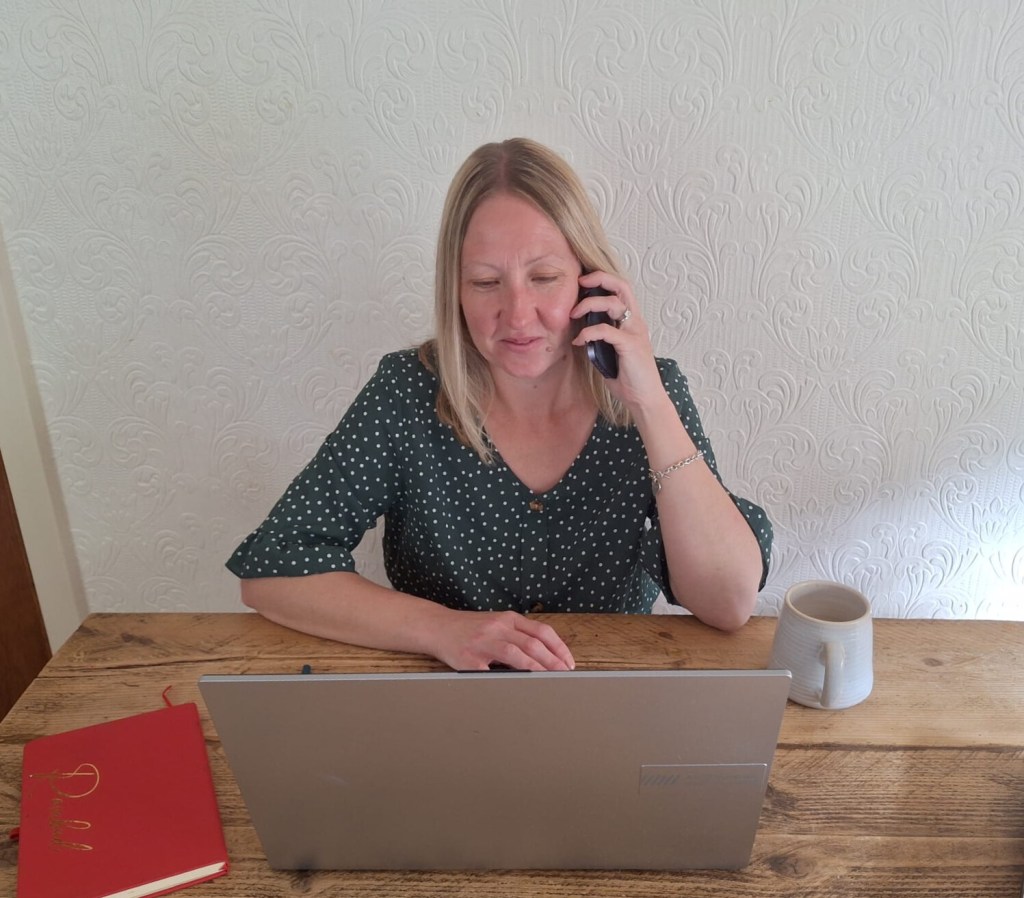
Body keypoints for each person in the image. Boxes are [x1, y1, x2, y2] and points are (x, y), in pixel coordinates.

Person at [227, 137, 772, 672]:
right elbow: (274, 573)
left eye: (544, 278)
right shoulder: (407, 392)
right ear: (455, 290)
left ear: (591, 280)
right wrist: (442, 629)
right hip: (448, 704)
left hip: (607, 701)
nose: (517, 315)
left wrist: (649, 403)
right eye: (487, 282)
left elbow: (727, 602)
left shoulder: (651, 391)